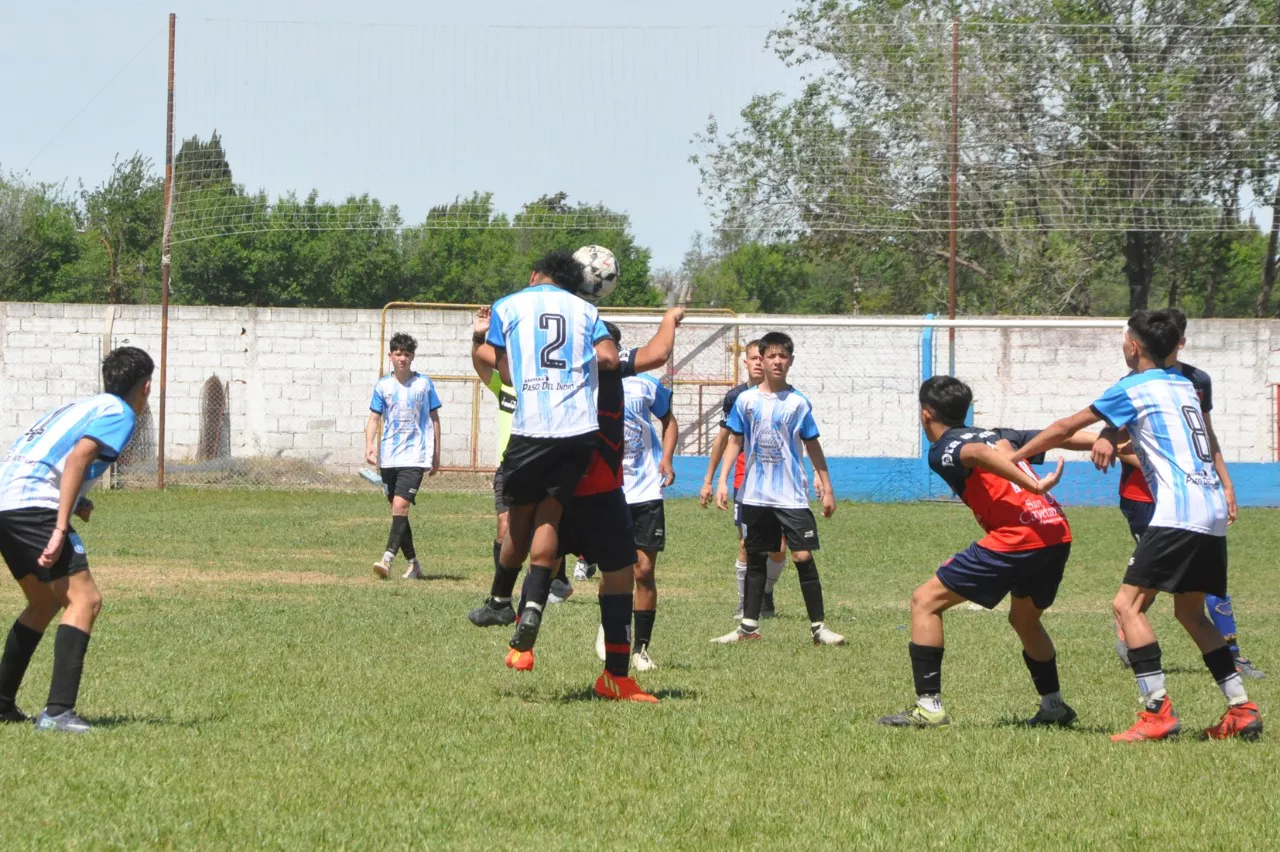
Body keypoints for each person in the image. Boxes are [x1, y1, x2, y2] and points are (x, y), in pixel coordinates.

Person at [1012, 308, 1261, 741]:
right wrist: (1111, 434)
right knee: (1190, 612)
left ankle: (1157, 712)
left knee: (1126, 607)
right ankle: (1241, 708)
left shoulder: (1134, 387)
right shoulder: (1185, 385)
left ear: (1132, 346)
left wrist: (1013, 459)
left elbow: (1066, 426)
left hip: (1177, 512)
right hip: (1211, 508)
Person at [877, 376, 1089, 729]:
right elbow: (1061, 435)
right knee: (1024, 619)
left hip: (1018, 537)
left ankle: (928, 707)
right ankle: (1053, 706)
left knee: (924, 601)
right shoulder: (994, 432)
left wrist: (1032, 483)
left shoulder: (942, 450)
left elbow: (975, 456)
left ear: (926, 414)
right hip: (1054, 530)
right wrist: (1116, 444)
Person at [469, 250, 618, 661]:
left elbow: (508, 372)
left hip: (532, 429)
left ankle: (501, 601)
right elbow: (608, 358)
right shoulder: (585, 310)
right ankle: (532, 607)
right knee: (550, 516)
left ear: (536, 274)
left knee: (518, 524)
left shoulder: (508, 306)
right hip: (577, 433)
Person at [1098, 308, 1263, 679]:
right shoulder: (1134, 381)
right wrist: (1108, 437)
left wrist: (1226, 483)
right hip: (1146, 498)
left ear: (1182, 342)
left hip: (1196, 498)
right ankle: (1130, 628)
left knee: (1199, 583)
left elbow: (1205, 436)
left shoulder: (1195, 381)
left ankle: (1231, 654)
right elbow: (1112, 429)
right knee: (1151, 585)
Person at [0, 346, 153, 733]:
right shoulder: (121, 413)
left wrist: (77, 499)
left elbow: (50, 456)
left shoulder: (80, 406)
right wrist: (59, 525)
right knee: (85, 599)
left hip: (7, 501)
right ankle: (57, 713)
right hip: (35, 505)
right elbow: (78, 459)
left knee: (41, 602)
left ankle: (1, 703)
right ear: (146, 386)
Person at [713, 331, 842, 646]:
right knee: (755, 555)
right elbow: (735, 441)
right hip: (755, 493)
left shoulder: (798, 403)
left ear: (791, 361)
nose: (777, 361)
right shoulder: (746, 400)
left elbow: (813, 446)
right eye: (771, 356)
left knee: (801, 556)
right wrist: (722, 480)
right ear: (762, 359)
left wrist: (826, 485)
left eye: (783, 356)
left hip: (791, 495)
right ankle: (748, 627)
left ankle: (818, 628)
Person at [469, 308, 573, 611]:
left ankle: (551, 585)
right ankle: (501, 592)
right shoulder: (505, 386)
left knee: (545, 531)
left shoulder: (545, 386)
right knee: (505, 527)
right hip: (509, 466)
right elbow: (479, 363)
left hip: (542, 461)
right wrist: (478, 335)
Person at [698, 340, 787, 618]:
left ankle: (767, 593)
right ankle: (745, 602)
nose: (760, 362)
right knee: (747, 544)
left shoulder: (786, 396)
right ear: (745, 362)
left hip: (779, 481)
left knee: (778, 548)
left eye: (764, 357)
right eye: (754, 358)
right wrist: (711, 479)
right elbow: (724, 439)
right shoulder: (736, 397)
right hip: (745, 481)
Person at [365, 333, 441, 579]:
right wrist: (369, 445)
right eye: (398, 354)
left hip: (415, 457)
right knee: (399, 512)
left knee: (401, 505)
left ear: (412, 357)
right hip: (389, 458)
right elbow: (374, 418)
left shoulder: (424, 384)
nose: (402, 358)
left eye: (407, 354)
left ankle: (387, 559)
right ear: (390, 356)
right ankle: (414, 564)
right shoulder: (382, 386)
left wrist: (436, 452)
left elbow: (434, 418)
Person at [620, 351, 678, 671]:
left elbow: (669, 421)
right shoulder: (588, 385)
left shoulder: (646, 385)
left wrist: (666, 459)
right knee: (617, 571)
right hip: (609, 491)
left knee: (643, 571)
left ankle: (640, 650)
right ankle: (613, 625)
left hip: (646, 489)